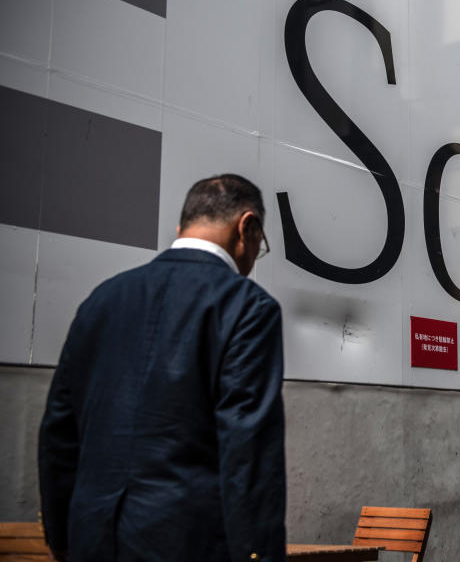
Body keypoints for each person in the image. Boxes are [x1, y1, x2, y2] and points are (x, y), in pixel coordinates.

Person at [37, 174, 286, 562]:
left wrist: (62, 538)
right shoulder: (246, 307)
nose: (254, 258)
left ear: (181, 228)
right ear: (247, 227)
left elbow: (59, 431)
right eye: (260, 245)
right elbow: (249, 450)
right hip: (187, 544)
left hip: (92, 538)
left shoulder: (102, 300)